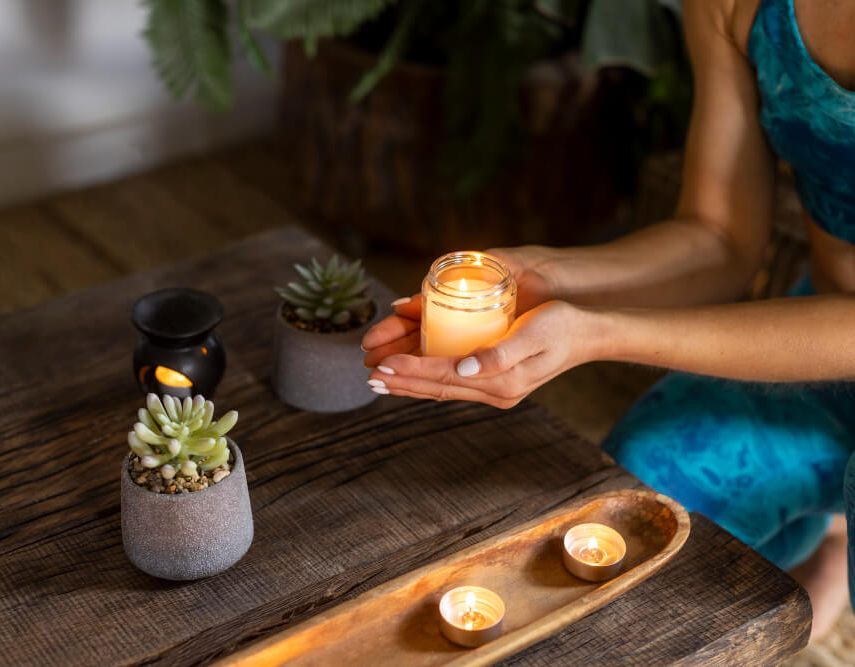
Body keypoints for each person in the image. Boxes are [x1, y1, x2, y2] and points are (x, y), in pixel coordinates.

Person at [362, 0, 855, 640]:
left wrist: (599, 334)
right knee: (633, 521)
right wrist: (544, 278)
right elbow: (719, 236)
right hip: (812, 353)